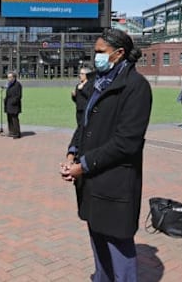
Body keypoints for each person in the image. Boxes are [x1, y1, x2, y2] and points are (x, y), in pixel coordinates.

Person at [60, 29, 152, 282]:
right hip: (92, 179)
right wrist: (72, 153)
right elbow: (84, 125)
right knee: (97, 236)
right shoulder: (96, 83)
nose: (96, 57)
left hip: (115, 180)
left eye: (101, 52)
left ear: (119, 53)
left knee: (117, 243)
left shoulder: (136, 87)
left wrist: (84, 165)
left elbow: (127, 142)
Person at [4, 71, 22, 139]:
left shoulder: (18, 84)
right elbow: (8, 94)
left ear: (14, 77)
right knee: (9, 119)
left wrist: (13, 102)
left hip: (14, 105)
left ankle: (17, 133)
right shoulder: (9, 84)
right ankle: (11, 132)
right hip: (8, 104)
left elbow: (19, 96)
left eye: (10, 77)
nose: (8, 78)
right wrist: (5, 100)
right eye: (8, 77)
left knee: (15, 119)